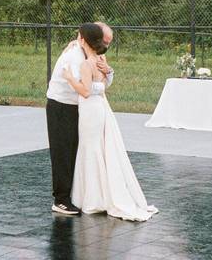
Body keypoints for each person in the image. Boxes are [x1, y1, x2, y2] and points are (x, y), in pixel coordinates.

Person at [63, 23, 157, 221]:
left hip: (90, 109)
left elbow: (87, 91)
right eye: (105, 41)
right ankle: (100, 193)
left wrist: (70, 79)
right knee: (97, 147)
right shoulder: (98, 57)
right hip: (99, 107)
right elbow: (102, 86)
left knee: (91, 148)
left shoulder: (88, 63)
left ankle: (93, 196)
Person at [46, 21, 114, 215]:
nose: (105, 45)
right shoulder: (74, 56)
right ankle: (61, 200)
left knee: (78, 150)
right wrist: (96, 84)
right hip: (61, 105)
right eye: (104, 40)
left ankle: (78, 194)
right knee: (62, 152)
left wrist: (106, 72)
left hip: (82, 108)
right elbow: (85, 88)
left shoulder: (93, 55)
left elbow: (100, 83)